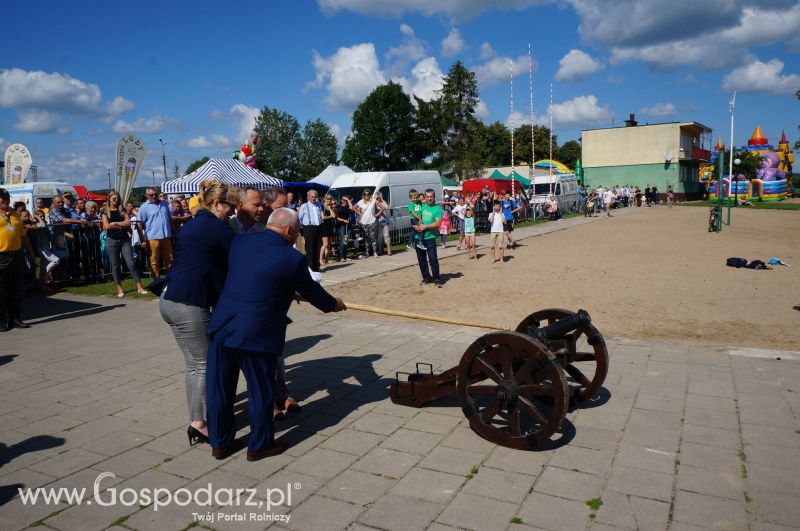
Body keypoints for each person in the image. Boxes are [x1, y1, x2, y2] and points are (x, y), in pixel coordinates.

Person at [206, 208, 346, 461]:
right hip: (256, 333)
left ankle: (220, 442)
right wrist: (333, 303)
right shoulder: (291, 259)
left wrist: (283, 289)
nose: (296, 236)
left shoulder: (241, 242)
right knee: (261, 390)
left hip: (223, 325)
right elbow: (313, 293)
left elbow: (255, 273)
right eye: (297, 231)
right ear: (289, 230)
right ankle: (259, 445)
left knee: (219, 389)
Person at [160, 180, 238, 448]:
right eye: (231, 207)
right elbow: (240, 256)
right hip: (188, 303)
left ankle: (198, 421)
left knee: (194, 363)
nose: (233, 213)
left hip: (169, 298)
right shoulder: (217, 228)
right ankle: (200, 423)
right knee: (204, 364)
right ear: (217, 204)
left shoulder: (193, 224)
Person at [0, 188, 36, 331]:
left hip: (16, 255)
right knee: (1, 290)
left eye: (7, 198)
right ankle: (2, 320)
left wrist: (30, 252)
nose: (5, 200)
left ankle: (15, 318)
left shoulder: (15, 215)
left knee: (16, 288)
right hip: (1, 256)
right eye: (2, 198)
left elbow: (23, 236)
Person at [101, 192, 147, 298]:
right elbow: (107, 227)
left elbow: (128, 223)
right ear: (109, 199)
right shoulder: (104, 211)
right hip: (111, 240)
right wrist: (122, 225)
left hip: (124, 240)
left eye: (117, 198)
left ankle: (139, 286)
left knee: (131, 263)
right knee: (115, 265)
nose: (115, 200)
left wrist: (116, 224)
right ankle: (119, 288)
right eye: (113, 198)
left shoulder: (123, 210)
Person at [138, 187, 173, 277]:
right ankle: (156, 281)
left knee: (170, 259)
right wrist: (142, 240)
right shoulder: (144, 207)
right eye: (151, 195)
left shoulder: (165, 204)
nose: (154, 196)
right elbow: (139, 224)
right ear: (147, 196)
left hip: (166, 236)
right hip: (152, 238)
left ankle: (171, 279)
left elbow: (169, 219)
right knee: (154, 261)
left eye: (155, 194)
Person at [413, 188, 443, 287]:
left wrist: (425, 226)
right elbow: (412, 215)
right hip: (418, 237)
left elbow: (438, 223)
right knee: (421, 260)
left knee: (433, 258)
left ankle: (436, 278)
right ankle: (426, 278)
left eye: (431, 197)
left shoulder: (438, 209)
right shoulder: (421, 205)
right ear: (425, 197)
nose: (430, 198)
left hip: (430, 237)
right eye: (428, 197)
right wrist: (414, 225)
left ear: (434, 197)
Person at [298, 190, 323, 272]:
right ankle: (310, 266)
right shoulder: (304, 206)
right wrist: (304, 228)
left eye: (315, 197)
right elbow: (299, 218)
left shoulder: (318, 205)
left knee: (318, 246)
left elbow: (320, 216)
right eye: (312, 197)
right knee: (310, 247)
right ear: (308, 197)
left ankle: (316, 266)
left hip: (318, 227)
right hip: (308, 228)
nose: (314, 198)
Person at [354, 188, 377, 257]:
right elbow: (354, 208)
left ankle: (374, 252)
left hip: (372, 221)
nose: (366, 195)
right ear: (363, 195)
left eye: (368, 194)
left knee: (373, 237)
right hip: (364, 222)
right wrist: (360, 213)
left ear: (370, 195)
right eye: (365, 194)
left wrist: (376, 214)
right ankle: (367, 252)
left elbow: (383, 207)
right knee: (366, 238)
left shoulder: (373, 201)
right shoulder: (361, 201)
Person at [320, 194, 336, 264]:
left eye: (330, 199)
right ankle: (320, 259)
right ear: (325, 199)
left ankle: (326, 259)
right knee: (325, 244)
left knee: (329, 244)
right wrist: (330, 216)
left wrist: (329, 209)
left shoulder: (330, 207)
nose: (329, 201)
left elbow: (334, 216)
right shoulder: (321, 206)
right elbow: (323, 217)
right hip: (324, 226)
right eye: (327, 199)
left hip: (330, 226)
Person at [374, 192, 391, 256]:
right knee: (378, 237)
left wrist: (382, 200)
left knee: (386, 236)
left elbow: (387, 207)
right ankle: (380, 251)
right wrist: (375, 199)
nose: (378, 198)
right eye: (377, 197)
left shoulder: (383, 202)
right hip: (377, 222)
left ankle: (389, 251)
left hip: (384, 221)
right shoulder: (374, 203)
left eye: (379, 196)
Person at [336, 196, 351, 261]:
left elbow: (351, 208)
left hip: (348, 225)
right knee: (342, 240)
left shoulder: (348, 206)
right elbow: (336, 217)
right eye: (343, 199)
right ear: (341, 200)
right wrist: (344, 220)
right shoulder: (338, 207)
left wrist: (348, 199)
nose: (344, 201)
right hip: (341, 225)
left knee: (346, 241)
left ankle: (345, 256)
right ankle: (341, 256)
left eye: (345, 200)